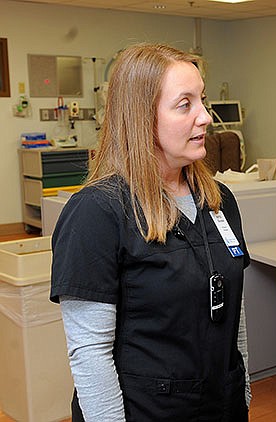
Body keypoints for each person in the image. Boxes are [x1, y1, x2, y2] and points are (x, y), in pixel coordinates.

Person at [50, 43, 250, 421]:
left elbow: (234, 312)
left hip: (221, 404)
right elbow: (89, 352)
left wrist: (244, 391)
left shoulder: (218, 200)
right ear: (142, 117)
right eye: (185, 104)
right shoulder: (97, 212)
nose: (205, 117)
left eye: (202, 100)